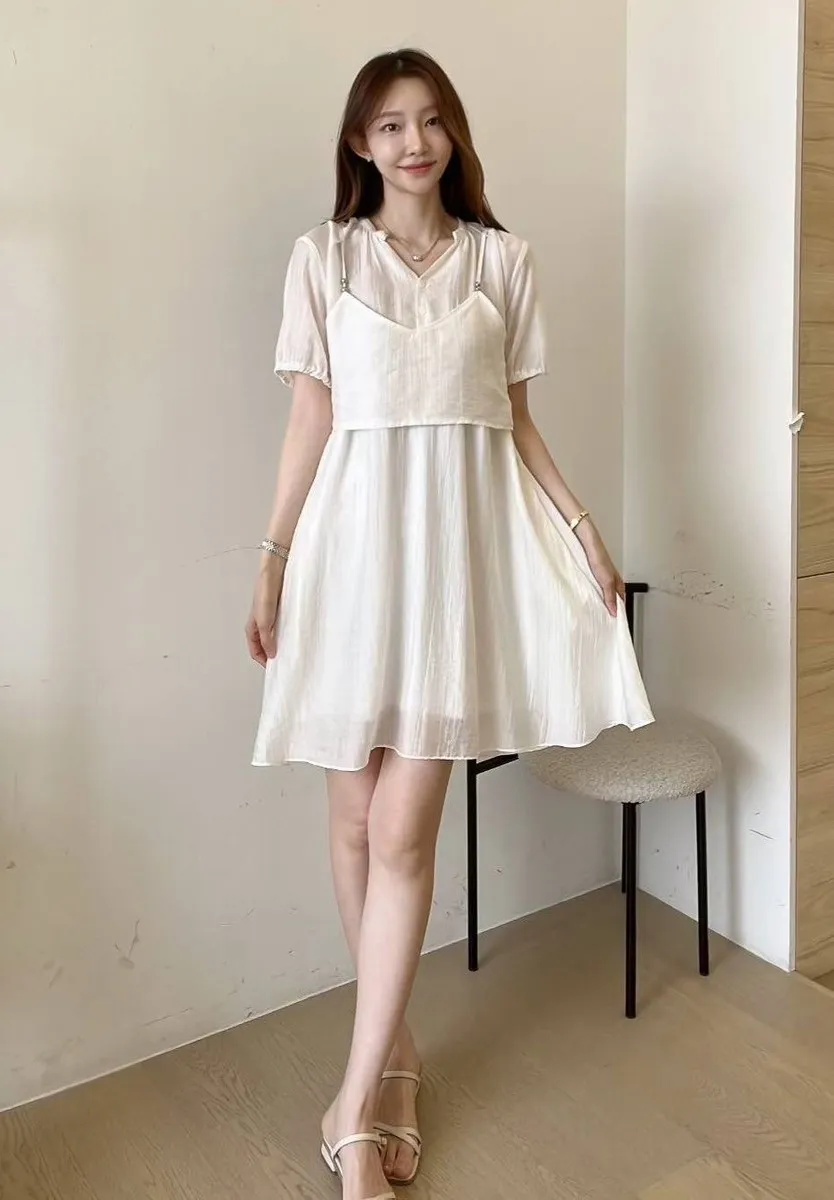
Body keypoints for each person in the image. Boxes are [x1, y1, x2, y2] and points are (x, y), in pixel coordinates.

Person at [246, 47, 653, 1200]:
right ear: (360, 143)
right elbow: (310, 422)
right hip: (347, 563)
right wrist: (273, 561)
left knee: (402, 831)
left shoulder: (502, 261)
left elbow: (515, 421)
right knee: (350, 818)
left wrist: (582, 528)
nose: (413, 142)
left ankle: (351, 1112)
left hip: (449, 579)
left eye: (430, 121)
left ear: (455, 133)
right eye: (389, 124)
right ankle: (399, 1061)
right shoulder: (323, 259)